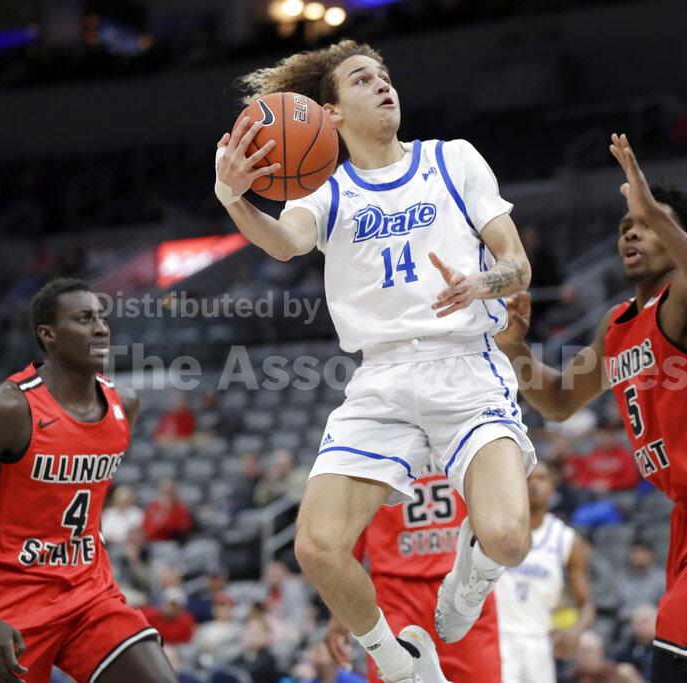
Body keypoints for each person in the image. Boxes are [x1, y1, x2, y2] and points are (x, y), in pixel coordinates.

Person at [216, 39, 535, 683]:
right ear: (330, 114)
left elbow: (517, 265)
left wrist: (483, 283)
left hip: (463, 365)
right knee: (316, 547)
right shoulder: (328, 187)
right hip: (381, 380)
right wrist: (233, 197)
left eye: (385, 76)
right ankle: (399, 661)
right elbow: (282, 244)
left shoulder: (453, 161)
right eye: (363, 80)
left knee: (507, 539)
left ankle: (472, 578)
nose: (384, 85)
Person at [496, 134, 687, 681]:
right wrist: (514, 347)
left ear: (685, 240)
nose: (630, 230)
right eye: (625, 226)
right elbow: (559, 401)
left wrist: (661, 216)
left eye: (647, 224)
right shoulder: (619, 324)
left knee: (678, 667)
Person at [0, 279, 176, 683]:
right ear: (48, 335)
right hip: (10, 602)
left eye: (102, 318)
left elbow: (85, 498)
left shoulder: (124, 404)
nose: (101, 328)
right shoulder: (7, 408)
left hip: (89, 593)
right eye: (84, 318)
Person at [325, 464, 502, 683]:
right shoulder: (370, 434)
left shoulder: (468, 429)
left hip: (465, 584)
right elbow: (350, 534)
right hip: (395, 593)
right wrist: (339, 614)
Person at [496, 460, 595, 683]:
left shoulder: (567, 540)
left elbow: (586, 605)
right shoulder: (495, 527)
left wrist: (574, 631)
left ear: (553, 486)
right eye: (528, 478)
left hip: (540, 641)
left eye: (541, 478)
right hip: (497, 636)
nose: (534, 485)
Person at [614, 541, 667, 621]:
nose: (638, 556)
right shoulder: (621, 578)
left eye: (642, 552)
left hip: (652, 623)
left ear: (651, 555)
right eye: (635, 552)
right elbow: (616, 606)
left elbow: (665, 607)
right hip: (625, 623)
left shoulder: (661, 579)